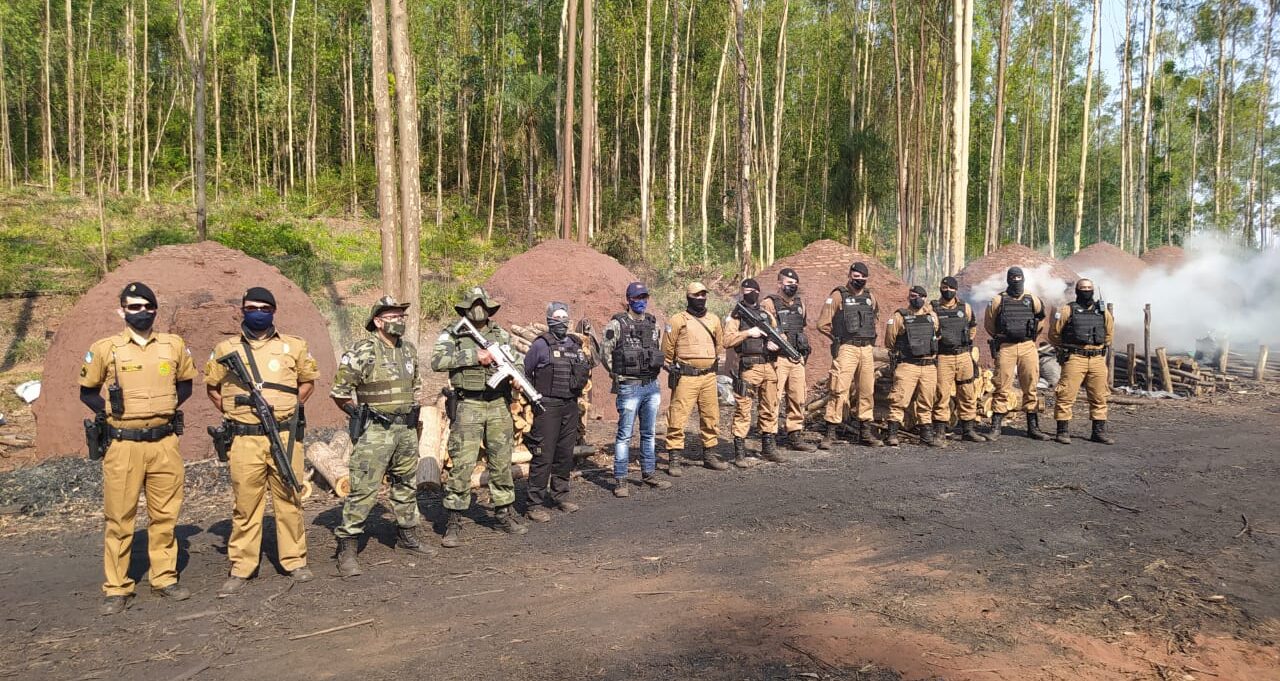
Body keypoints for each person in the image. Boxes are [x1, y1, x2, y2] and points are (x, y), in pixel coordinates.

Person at [79, 282, 197, 615]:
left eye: (147, 306)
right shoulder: (106, 348)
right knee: (119, 517)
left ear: (155, 309)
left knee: (165, 515)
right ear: (122, 311)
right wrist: (112, 414)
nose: (141, 312)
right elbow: (87, 391)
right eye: (133, 307)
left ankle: (164, 578)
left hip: (164, 443)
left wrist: (164, 410)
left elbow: (185, 385)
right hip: (124, 445)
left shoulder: (173, 346)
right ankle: (117, 588)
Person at [205, 287, 318, 596]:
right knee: (246, 504)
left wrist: (290, 410)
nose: (258, 311)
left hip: (284, 435)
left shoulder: (293, 346)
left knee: (289, 499)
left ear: (273, 311)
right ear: (242, 310)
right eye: (251, 306)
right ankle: (242, 566)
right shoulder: (226, 348)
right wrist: (236, 411)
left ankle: (294, 560)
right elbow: (212, 388)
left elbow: (307, 383)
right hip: (244, 440)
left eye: (264, 307)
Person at [330, 296, 432, 579]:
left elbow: (416, 387)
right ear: (378, 321)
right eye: (394, 316)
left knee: (405, 483)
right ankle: (347, 548)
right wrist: (360, 415)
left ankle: (407, 535)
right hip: (375, 431)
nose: (400, 321)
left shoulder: (409, 351)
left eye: (402, 316)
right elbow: (339, 392)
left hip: (406, 430)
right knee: (364, 488)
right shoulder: (363, 351)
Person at [430, 287, 528, 546]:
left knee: (501, 461)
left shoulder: (500, 335)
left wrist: (517, 379)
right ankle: (454, 519)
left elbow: (516, 362)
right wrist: (474, 355)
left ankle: (504, 511)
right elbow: (437, 361)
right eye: (474, 304)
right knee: (462, 463)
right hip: (468, 404)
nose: (478, 309)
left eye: (483, 304)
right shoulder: (453, 332)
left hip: (498, 404)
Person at [522, 302, 595, 522]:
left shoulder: (575, 345)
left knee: (564, 453)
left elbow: (591, 365)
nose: (561, 321)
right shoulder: (540, 345)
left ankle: (560, 495)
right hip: (547, 406)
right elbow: (525, 373)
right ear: (549, 320)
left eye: (565, 317)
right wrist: (533, 400)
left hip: (570, 405)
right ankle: (533, 503)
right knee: (543, 454)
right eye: (557, 317)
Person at [601, 282, 671, 497]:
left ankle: (648, 473)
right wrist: (619, 374)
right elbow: (606, 354)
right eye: (637, 297)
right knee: (624, 435)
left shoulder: (653, 323)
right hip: (629, 387)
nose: (641, 301)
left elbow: (657, 349)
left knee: (648, 433)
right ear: (629, 300)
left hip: (651, 385)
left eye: (644, 297)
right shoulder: (616, 325)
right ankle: (621, 479)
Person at [815, 262, 884, 449]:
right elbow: (822, 324)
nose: (859, 280)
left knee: (866, 390)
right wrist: (838, 337)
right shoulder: (838, 296)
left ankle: (865, 432)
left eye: (862, 278)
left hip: (867, 349)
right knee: (838, 389)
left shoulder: (871, 297)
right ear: (849, 275)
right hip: (847, 348)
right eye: (855, 277)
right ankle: (830, 433)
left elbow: (875, 319)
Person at [662, 282, 727, 474]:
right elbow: (667, 349)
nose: (700, 298)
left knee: (711, 416)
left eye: (703, 295)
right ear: (688, 297)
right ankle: (674, 457)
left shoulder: (714, 319)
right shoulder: (677, 320)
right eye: (696, 295)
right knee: (678, 416)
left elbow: (719, 345)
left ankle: (710, 454)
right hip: (686, 377)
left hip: (708, 376)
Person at [984, 267, 1050, 441]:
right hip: (1006, 347)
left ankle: (1033, 427)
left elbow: (1041, 318)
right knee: (1001, 385)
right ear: (1008, 279)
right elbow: (989, 323)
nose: (1016, 280)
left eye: (1019, 277)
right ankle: (996, 426)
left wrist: (1032, 336)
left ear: (1023, 279)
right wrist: (1001, 337)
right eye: (1013, 277)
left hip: (1028, 346)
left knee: (1031, 386)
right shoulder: (998, 300)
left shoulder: (1032, 299)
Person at [722, 278, 783, 466]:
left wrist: (776, 345)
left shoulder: (766, 315)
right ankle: (739, 452)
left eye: (752, 289)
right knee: (743, 409)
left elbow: (778, 335)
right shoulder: (736, 316)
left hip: (769, 366)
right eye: (745, 289)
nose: (749, 292)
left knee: (770, 407)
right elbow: (727, 341)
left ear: (758, 291)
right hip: (749, 367)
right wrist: (748, 333)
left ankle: (768, 447)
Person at [1048, 279, 1116, 445]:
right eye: (1083, 288)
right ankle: (1062, 431)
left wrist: (1098, 347)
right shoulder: (1068, 310)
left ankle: (1098, 432)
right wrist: (1066, 348)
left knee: (1099, 396)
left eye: (1089, 288)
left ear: (1093, 290)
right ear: (1077, 291)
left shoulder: (1102, 312)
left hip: (1097, 359)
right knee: (1066, 395)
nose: (1086, 291)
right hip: (1075, 358)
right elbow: (1054, 334)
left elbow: (1109, 334)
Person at [762, 268, 816, 452]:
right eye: (788, 284)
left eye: (794, 284)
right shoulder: (769, 304)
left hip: (796, 358)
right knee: (773, 398)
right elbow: (763, 329)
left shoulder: (801, 304)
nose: (792, 287)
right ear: (779, 284)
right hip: (777, 360)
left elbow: (802, 327)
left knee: (797, 397)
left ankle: (794, 434)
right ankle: (769, 437)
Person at [883, 286, 941, 447]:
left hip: (928, 365)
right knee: (899, 400)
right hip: (907, 365)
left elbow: (937, 334)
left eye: (917, 296)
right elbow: (889, 341)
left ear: (925, 298)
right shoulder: (899, 316)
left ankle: (926, 436)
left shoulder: (932, 317)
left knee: (927, 401)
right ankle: (892, 435)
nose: (914, 298)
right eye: (911, 296)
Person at [931, 276, 986, 443]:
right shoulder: (932, 309)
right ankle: (940, 430)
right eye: (944, 288)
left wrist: (966, 345)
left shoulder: (965, 308)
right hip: (943, 357)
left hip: (963, 356)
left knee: (967, 393)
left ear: (956, 290)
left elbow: (972, 328)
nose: (947, 291)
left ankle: (968, 429)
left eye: (950, 288)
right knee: (942, 394)